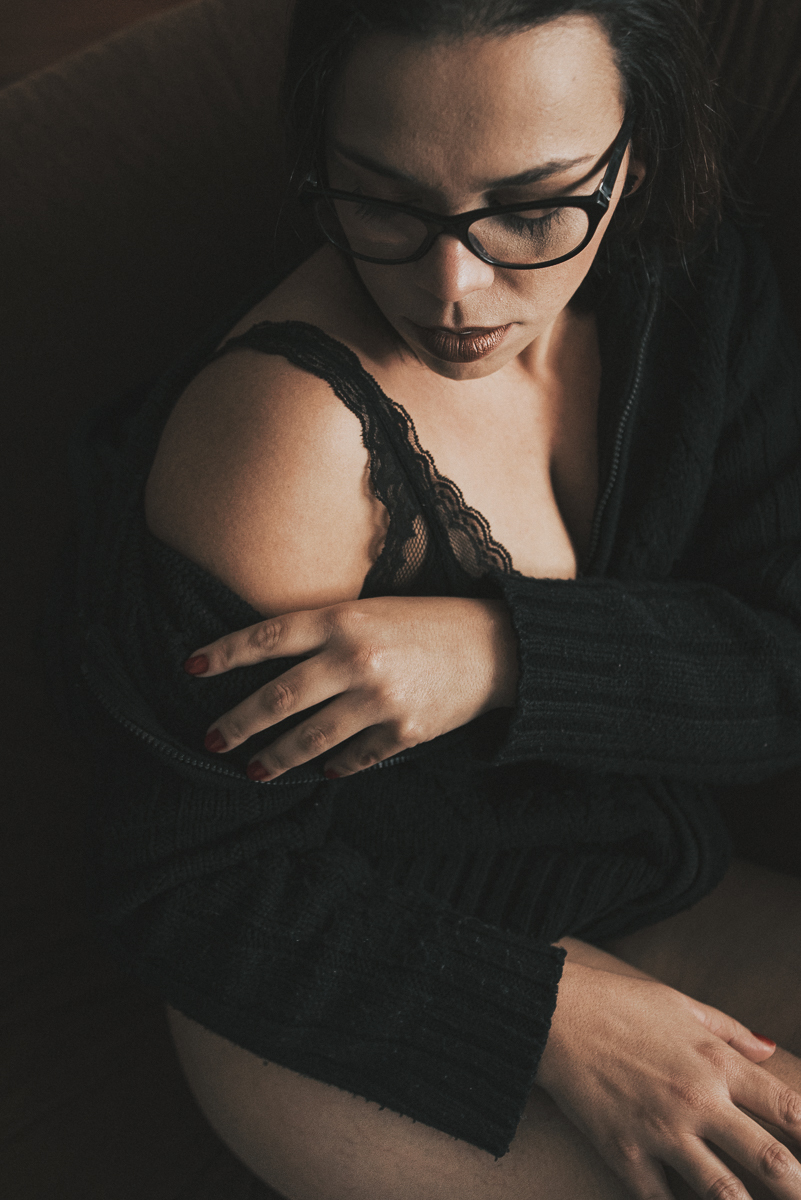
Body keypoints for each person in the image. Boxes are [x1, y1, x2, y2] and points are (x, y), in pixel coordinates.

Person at [51, 0, 801, 1197]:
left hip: (629, 887)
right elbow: (192, 886)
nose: (455, 286)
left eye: (535, 209)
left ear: (637, 151)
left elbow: (784, 663)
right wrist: (554, 1018)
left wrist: (504, 654)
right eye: (385, 203)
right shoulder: (283, 440)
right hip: (338, 977)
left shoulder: (702, 292)